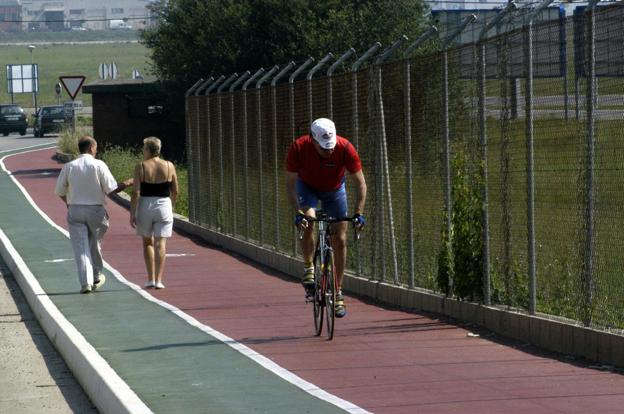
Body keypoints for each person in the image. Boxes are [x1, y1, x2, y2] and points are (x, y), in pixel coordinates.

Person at [286, 118, 367, 318]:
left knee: (339, 238)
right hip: (307, 188)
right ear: (312, 140)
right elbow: (290, 184)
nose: (328, 152)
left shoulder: (345, 148)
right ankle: (308, 267)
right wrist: (297, 212)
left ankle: (338, 292)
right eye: (323, 148)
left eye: (330, 147)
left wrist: (358, 213)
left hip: (334, 190)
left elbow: (361, 184)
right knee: (308, 220)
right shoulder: (298, 147)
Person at [55, 136, 130, 294]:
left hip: (75, 209)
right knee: (94, 244)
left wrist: (69, 202)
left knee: (80, 248)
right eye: (95, 148)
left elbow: (60, 191)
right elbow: (111, 189)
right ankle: (96, 275)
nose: (96, 151)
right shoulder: (99, 165)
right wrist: (127, 183)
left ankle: (85, 283)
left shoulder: (69, 166)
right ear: (91, 148)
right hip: (96, 210)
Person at [130, 137, 178, 290]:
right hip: (164, 204)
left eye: (144, 148)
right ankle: (159, 280)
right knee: (161, 242)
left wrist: (132, 212)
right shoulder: (169, 165)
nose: (143, 151)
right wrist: (172, 207)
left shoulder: (141, 166)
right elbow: (175, 190)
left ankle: (150, 279)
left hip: (146, 204)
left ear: (148, 150)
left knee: (147, 242)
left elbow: (136, 192)